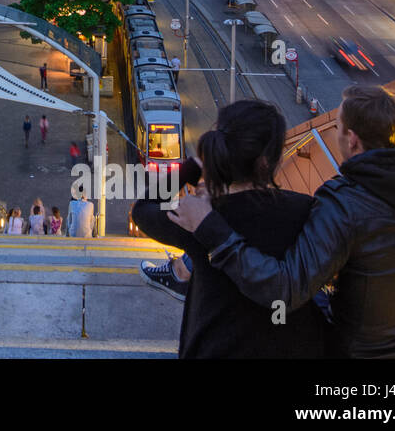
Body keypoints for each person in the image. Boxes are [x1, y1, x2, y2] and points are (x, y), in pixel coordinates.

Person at [171, 85, 395, 358]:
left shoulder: (344, 204)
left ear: (353, 140)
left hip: (364, 355)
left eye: (337, 127)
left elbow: (283, 290)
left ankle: (185, 272)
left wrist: (209, 226)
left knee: (293, 313)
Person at [132, 99, 330, 358]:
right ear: (268, 162)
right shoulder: (305, 210)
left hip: (216, 347)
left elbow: (143, 208)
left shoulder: (201, 216)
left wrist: (192, 167)